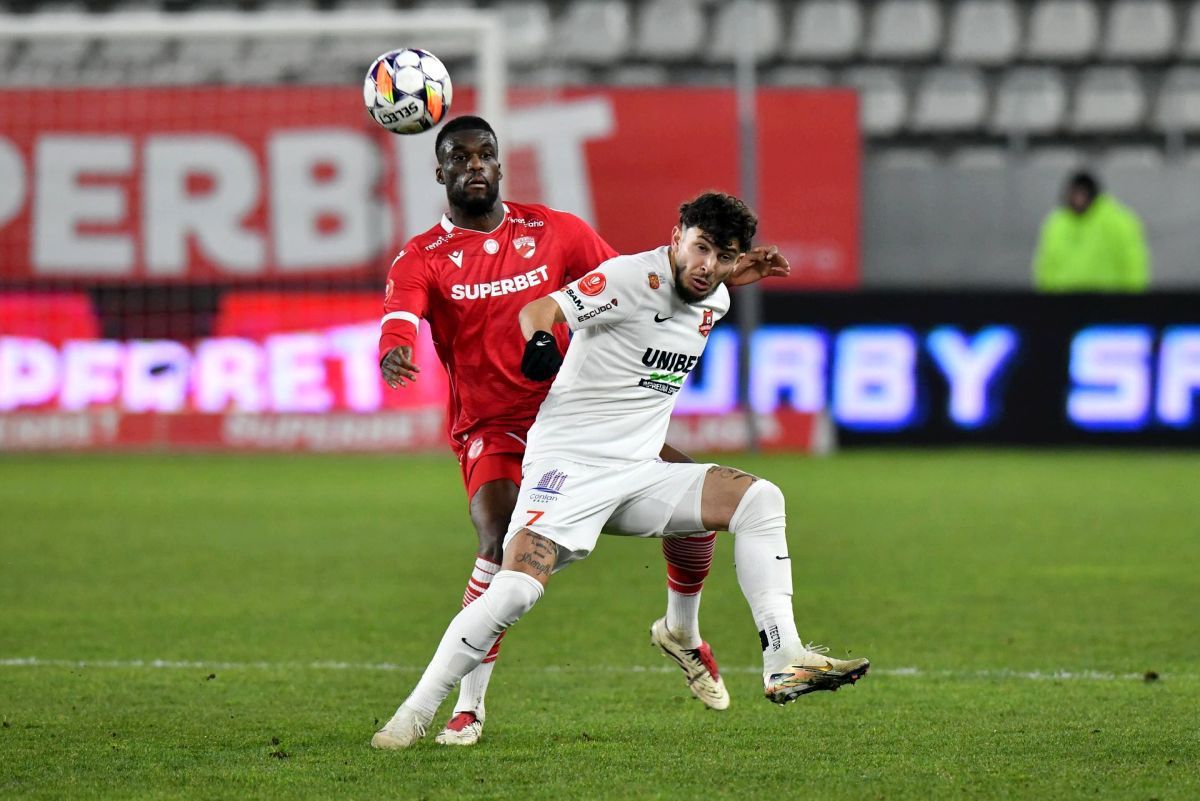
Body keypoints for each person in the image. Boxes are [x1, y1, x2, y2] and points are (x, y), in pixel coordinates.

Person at [371, 191, 867, 749]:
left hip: (638, 472)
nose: (707, 266)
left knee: (760, 499)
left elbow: (706, 284)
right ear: (676, 237)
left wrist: (735, 271)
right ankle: (415, 713)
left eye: (723, 257)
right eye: (700, 248)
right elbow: (540, 310)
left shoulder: (718, 296)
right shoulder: (630, 279)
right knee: (514, 593)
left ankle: (782, 656)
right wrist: (541, 339)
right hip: (568, 469)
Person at [1033, 170, 1151, 292]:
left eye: (1082, 193)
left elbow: (1134, 264)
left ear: (1093, 193)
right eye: (1074, 193)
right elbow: (1046, 267)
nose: (1078, 199)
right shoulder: (1056, 225)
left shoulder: (1119, 223)